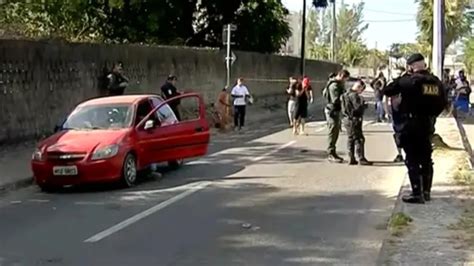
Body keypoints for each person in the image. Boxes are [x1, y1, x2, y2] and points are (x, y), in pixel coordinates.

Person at [383, 53, 447, 204]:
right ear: (424, 65)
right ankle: (427, 192)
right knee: (426, 159)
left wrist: (403, 76)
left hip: (410, 125)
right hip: (427, 125)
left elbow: (388, 90)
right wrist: (431, 116)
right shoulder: (436, 83)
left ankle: (417, 193)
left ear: (411, 66)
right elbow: (443, 102)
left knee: (412, 159)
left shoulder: (407, 81)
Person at [341, 80, 372, 165]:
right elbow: (357, 107)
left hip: (346, 119)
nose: (361, 92)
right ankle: (360, 158)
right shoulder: (354, 96)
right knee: (359, 139)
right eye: (361, 89)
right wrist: (364, 105)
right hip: (354, 119)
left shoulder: (345, 94)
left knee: (350, 138)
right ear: (359, 87)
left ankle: (351, 157)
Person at [323, 69, 351, 163]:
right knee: (333, 131)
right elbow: (336, 100)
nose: (345, 81)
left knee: (335, 132)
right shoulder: (334, 85)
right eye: (345, 79)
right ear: (342, 76)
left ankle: (333, 152)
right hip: (332, 110)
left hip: (335, 110)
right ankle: (330, 153)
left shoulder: (338, 84)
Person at [386, 67, 410, 163]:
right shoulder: (392, 85)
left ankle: (407, 154)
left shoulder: (407, 83)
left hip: (406, 112)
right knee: (398, 135)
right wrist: (387, 111)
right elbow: (386, 98)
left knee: (407, 134)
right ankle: (400, 154)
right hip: (396, 113)